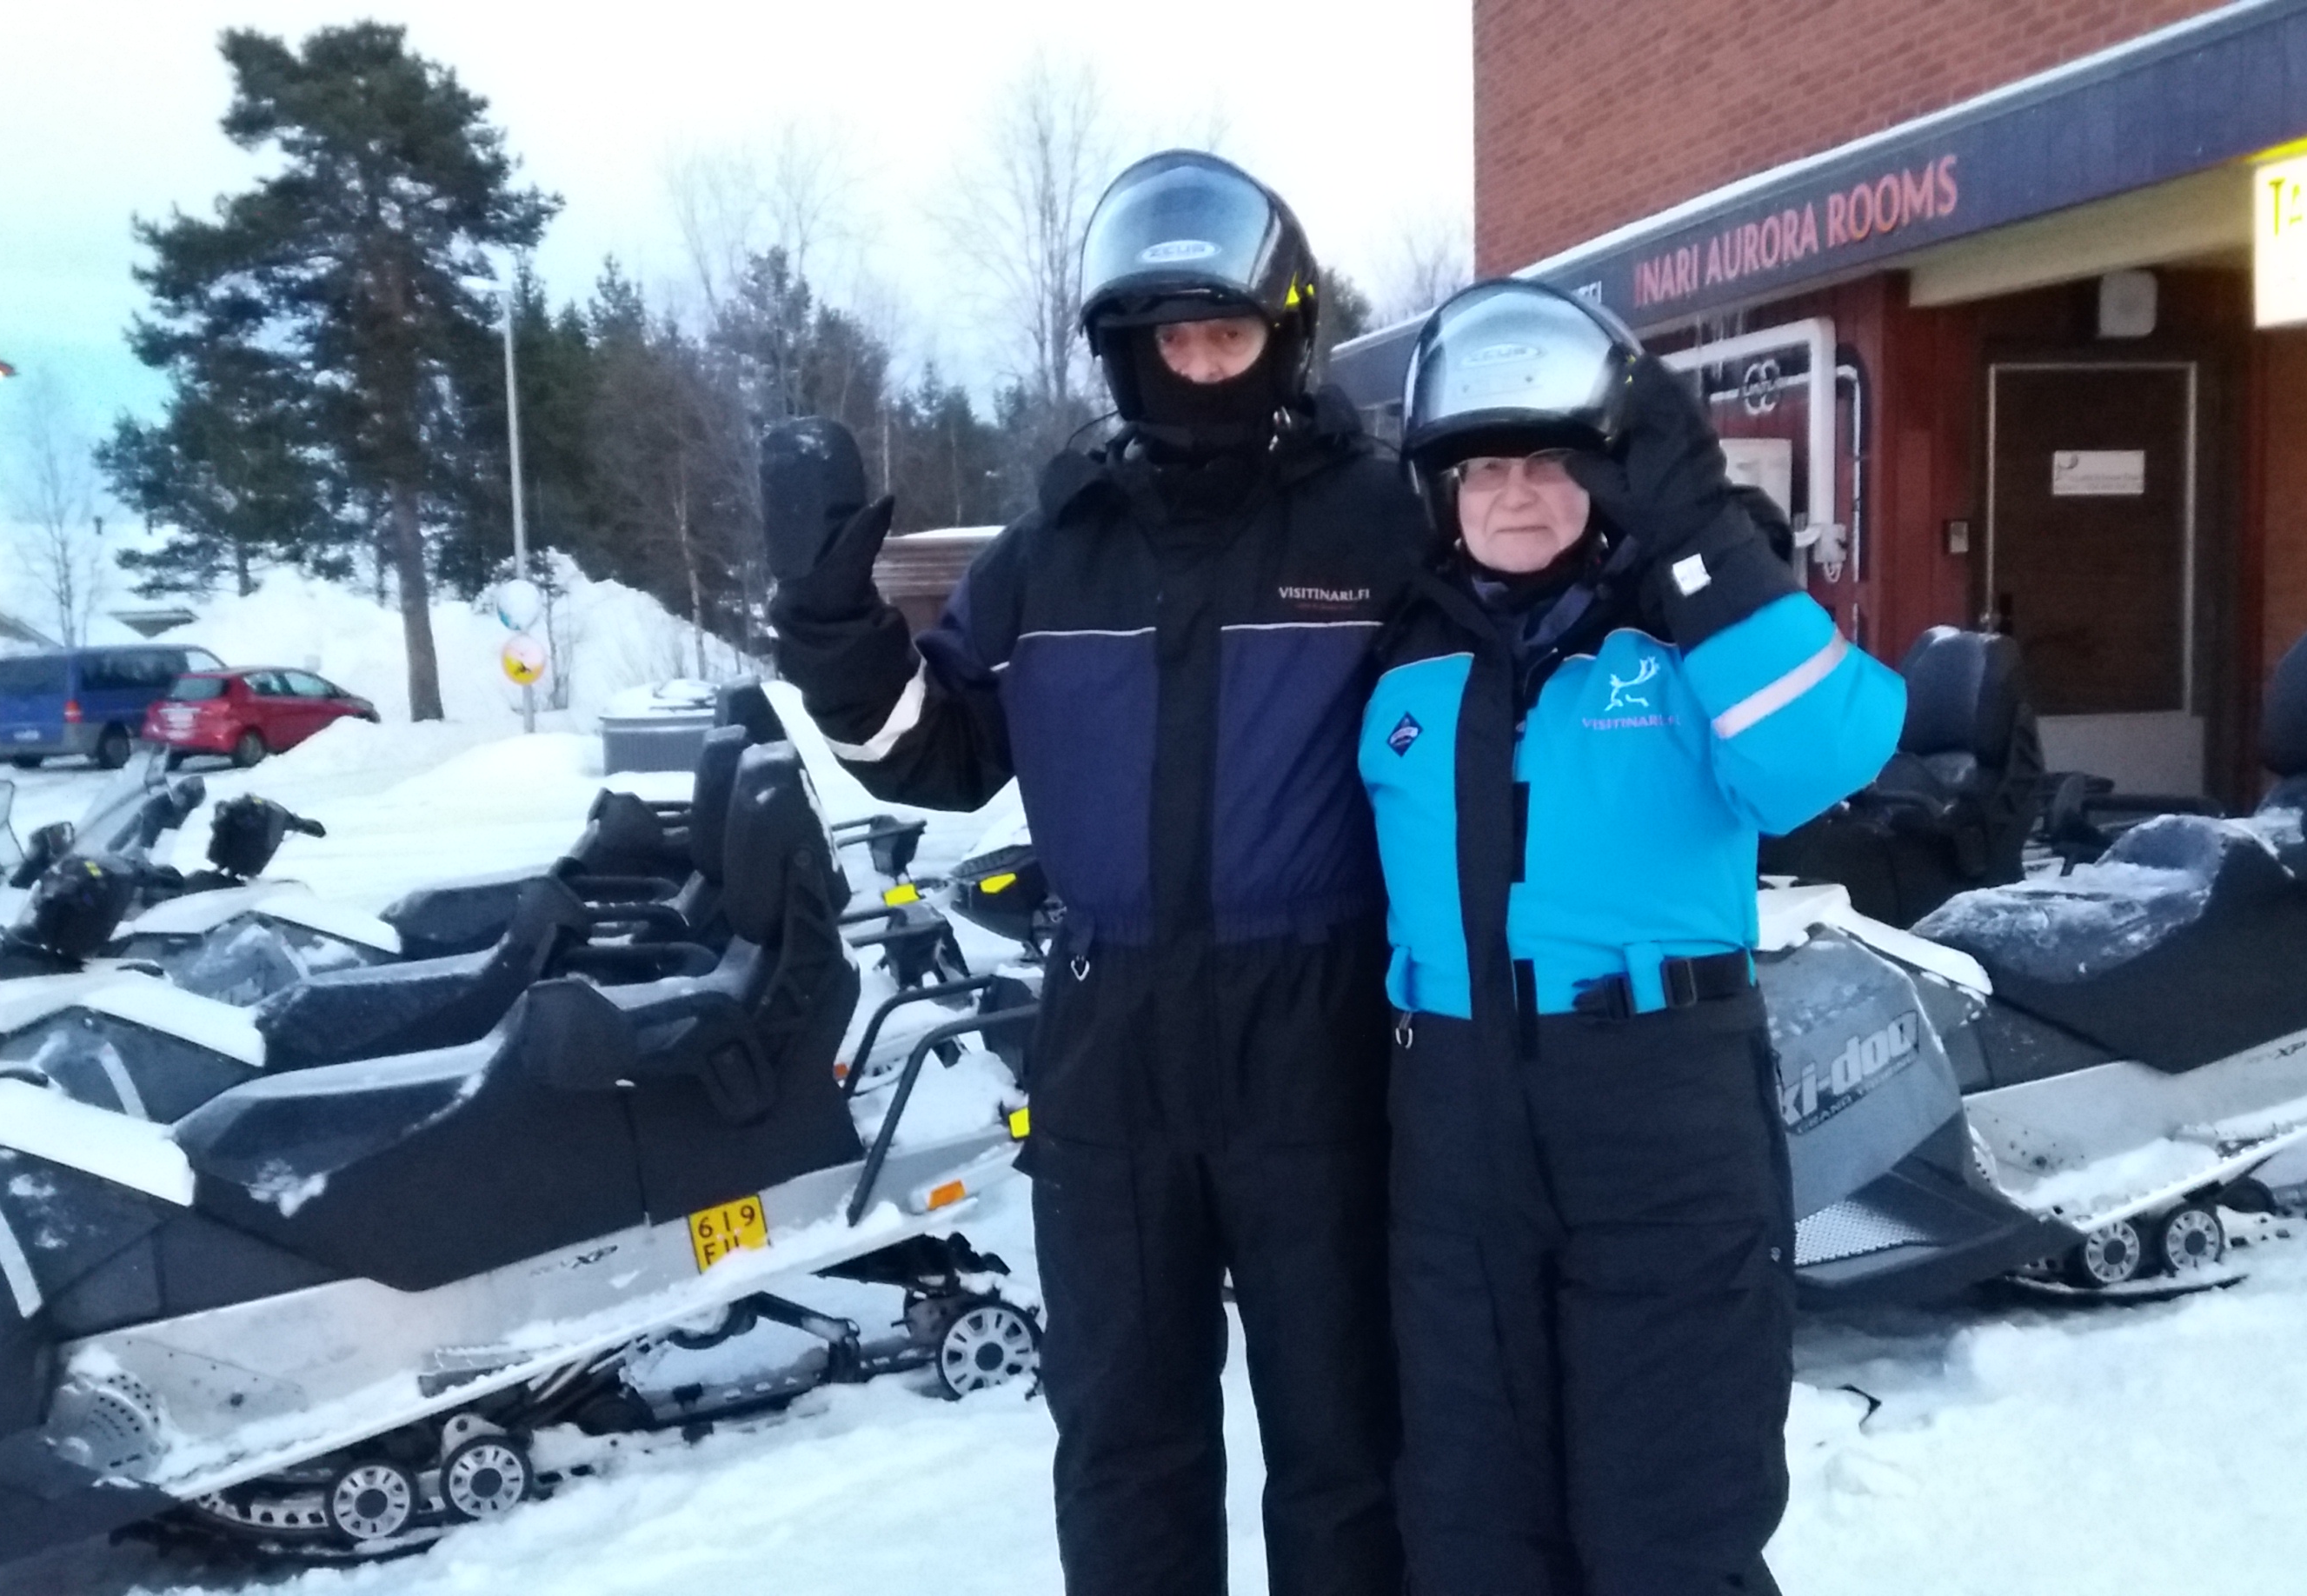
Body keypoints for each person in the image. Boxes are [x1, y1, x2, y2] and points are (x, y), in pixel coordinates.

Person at [762, 150, 1417, 1596]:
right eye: (1170, 340)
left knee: (1346, 1442)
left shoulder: (1377, 523)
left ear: (1284, 339)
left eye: (1226, 334)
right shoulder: (1053, 552)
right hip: (1109, 1036)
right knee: (1125, 1440)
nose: (1201, 367)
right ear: (1124, 355)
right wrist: (832, 631)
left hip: (1318, 1031)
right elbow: (932, 750)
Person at [1359, 278, 1906, 1596]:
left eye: (1551, 463)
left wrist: (1702, 531)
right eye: (1486, 469)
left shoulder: (1686, 631)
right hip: (1453, 1115)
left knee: (1670, 1524)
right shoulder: (1402, 656)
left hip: (1659, 1107)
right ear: (1443, 491)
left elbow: (1822, 759)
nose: (1517, 496)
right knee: (1471, 1524)